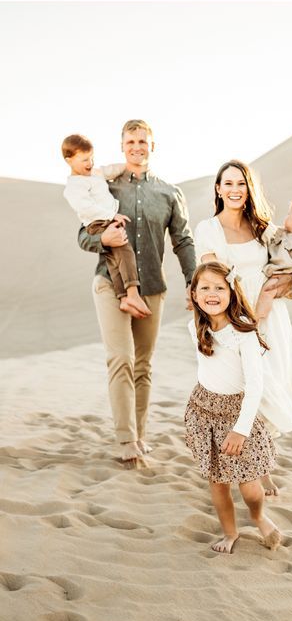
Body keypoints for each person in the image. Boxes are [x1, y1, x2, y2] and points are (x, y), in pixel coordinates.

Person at [77, 119, 196, 462]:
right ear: (122, 147)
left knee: (143, 365)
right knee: (121, 359)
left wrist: (192, 283)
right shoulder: (105, 189)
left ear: (152, 146)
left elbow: (183, 241)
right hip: (109, 284)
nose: (137, 147)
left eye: (142, 141)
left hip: (153, 288)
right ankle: (126, 440)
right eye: (130, 142)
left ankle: (141, 435)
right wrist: (103, 239)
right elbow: (82, 235)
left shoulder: (170, 193)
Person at [193, 161, 292, 438]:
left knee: (271, 380)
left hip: (271, 314)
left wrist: (286, 283)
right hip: (236, 316)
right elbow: (212, 279)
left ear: (249, 189)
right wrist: (239, 316)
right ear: (218, 189)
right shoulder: (208, 229)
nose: (235, 190)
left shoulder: (264, 228)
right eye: (228, 183)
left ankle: (262, 465)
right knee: (244, 385)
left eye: (241, 183)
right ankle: (251, 467)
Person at [184, 260, 281, 554]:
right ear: (194, 294)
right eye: (205, 288)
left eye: (219, 288)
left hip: (239, 414)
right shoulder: (195, 326)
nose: (211, 294)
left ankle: (258, 516)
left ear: (231, 291)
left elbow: (255, 387)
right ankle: (230, 533)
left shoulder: (244, 333)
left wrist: (240, 430)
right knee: (218, 482)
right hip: (203, 411)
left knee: (249, 486)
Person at [61, 132, 150, 317]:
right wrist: (112, 215)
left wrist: (128, 166)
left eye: (91, 158)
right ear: (69, 160)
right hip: (99, 222)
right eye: (84, 159)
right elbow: (86, 208)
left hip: (106, 219)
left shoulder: (95, 172)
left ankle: (123, 296)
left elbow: (110, 170)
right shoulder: (74, 186)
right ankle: (132, 293)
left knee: (113, 260)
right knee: (124, 250)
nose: (89, 163)